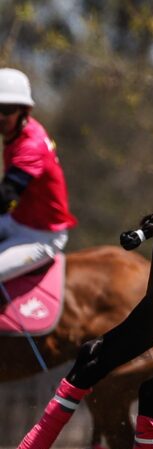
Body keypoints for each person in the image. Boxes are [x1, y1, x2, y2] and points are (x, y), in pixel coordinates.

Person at [0, 68, 76, 287]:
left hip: (42, 236)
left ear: (24, 111)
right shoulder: (16, 132)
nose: (0, 116)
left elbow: (4, 198)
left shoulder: (31, 146)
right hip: (17, 220)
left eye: (7, 109)